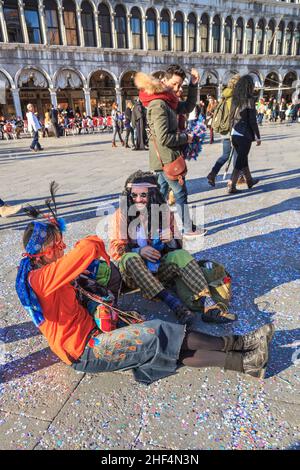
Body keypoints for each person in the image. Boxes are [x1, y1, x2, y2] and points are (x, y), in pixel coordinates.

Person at [15, 183, 274, 383]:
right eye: (58, 244)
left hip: (93, 330)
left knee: (166, 346)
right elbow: (90, 246)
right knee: (158, 333)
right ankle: (241, 346)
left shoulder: (42, 269)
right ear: (45, 251)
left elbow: (172, 244)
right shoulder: (41, 278)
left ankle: (245, 359)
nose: (62, 249)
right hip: (85, 349)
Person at [109, 170, 237, 324]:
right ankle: (175, 305)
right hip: (134, 275)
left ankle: (209, 305)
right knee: (130, 257)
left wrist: (172, 238)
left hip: (159, 271)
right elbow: (116, 250)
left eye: (143, 195)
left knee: (181, 255)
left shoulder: (163, 212)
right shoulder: (121, 214)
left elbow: (178, 247)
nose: (138, 199)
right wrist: (139, 251)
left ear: (153, 194)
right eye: (134, 195)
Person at [135, 64, 199, 235]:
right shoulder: (159, 103)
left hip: (163, 159)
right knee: (180, 192)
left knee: (161, 194)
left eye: (180, 85)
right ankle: (188, 229)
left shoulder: (168, 100)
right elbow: (163, 138)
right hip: (166, 157)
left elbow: (188, 107)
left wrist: (193, 85)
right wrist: (187, 138)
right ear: (164, 80)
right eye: (175, 84)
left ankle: (150, 227)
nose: (177, 88)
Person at [227, 75, 261, 194]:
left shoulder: (235, 99)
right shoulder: (250, 100)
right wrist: (258, 136)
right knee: (241, 159)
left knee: (243, 157)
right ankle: (232, 184)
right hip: (244, 134)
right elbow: (252, 120)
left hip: (235, 133)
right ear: (249, 86)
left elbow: (231, 117)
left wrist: (231, 133)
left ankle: (250, 180)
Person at [207, 74, 240, 187]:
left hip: (224, 130)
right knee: (237, 155)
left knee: (225, 155)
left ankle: (212, 173)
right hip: (233, 130)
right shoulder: (235, 98)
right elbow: (235, 116)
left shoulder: (225, 96)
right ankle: (234, 181)